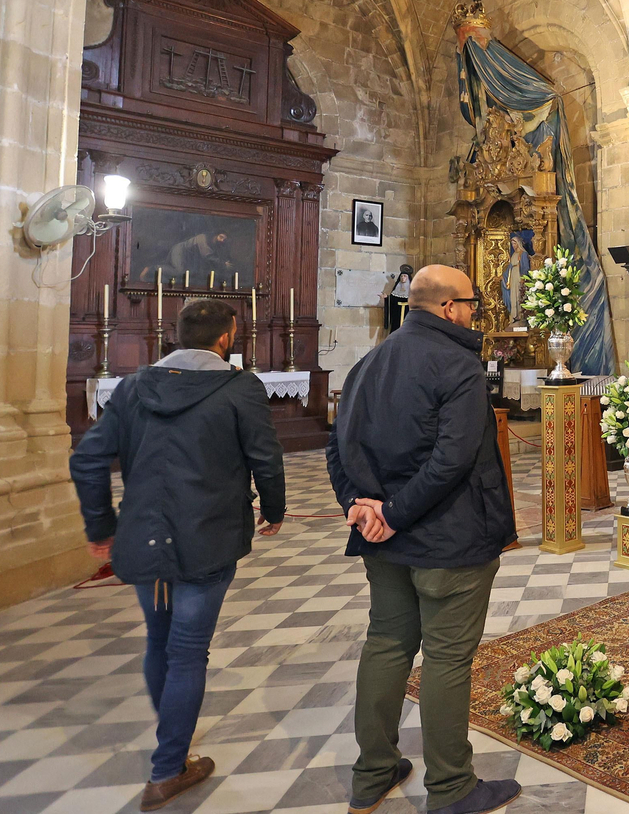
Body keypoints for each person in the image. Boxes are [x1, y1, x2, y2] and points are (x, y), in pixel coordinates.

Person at [70, 299, 285, 811]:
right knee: (187, 651)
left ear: (176, 334)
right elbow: (265, 456)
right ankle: (168, 769)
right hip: (208, 536)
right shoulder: (238, 387)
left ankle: (173, 748)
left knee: (159, 640)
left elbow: (88, 459)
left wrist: (102, 527)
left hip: (143, 535)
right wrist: (274, 509)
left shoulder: (135, 386)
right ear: (228, 336)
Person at [327, 264, 521, 814]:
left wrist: (361, 508)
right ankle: (453, 787)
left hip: (387, 544)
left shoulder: (368, 362)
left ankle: (373, 772)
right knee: (445, 658)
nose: (474, 314)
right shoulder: (458, 365)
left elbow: (334, 446)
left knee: (386, 645)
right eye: (470, 304)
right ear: (446, 308)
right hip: (448, 542)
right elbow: (452, 461)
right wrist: (392, 512)